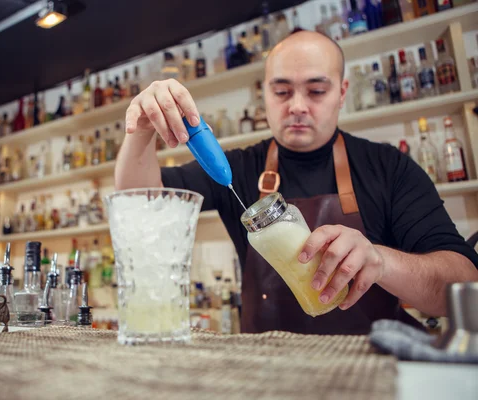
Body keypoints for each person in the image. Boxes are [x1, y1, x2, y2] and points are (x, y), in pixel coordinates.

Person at [115, 30, 478, 334]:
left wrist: (380, 260)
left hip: (372, 371)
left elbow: (465, 286)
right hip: (269, 375)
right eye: (282, 91)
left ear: (342, 92)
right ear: (265, 94)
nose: (298, 106)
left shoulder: (390, 168)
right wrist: (141, 132)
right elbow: (139, 201)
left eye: (317, 91)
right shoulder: (239, 167)